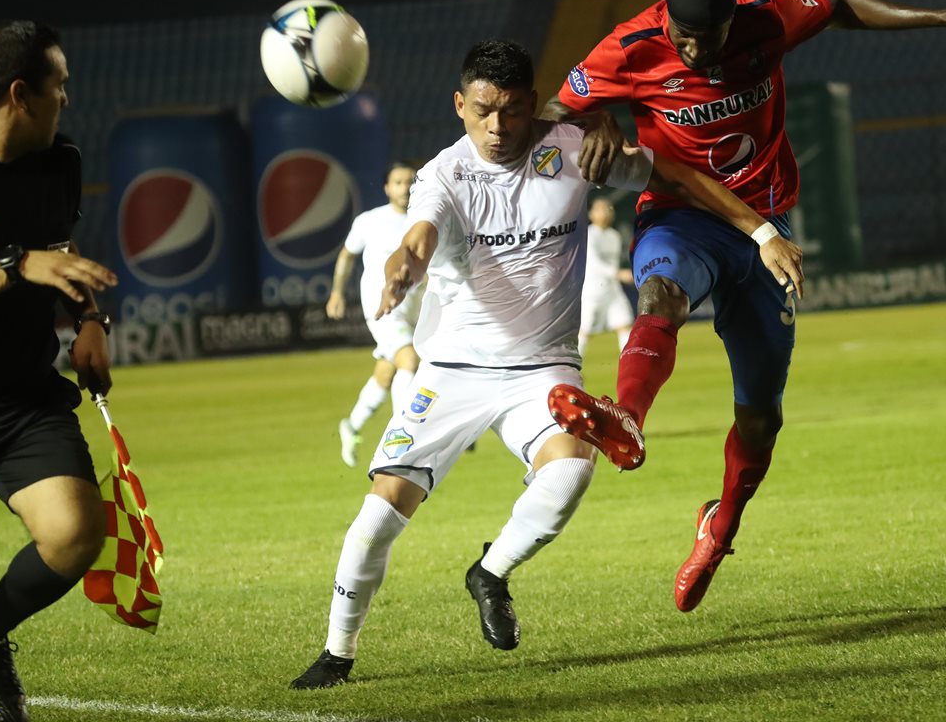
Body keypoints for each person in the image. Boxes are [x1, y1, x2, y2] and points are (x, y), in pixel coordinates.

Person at [290, 38, 777, 689]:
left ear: (533, 106)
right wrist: (407, 262)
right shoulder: (444, 175)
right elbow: (422, 232)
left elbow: (674, 177)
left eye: (514, 112)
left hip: (544, 369)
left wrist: (762, 231)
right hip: (452, 372)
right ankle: (337, 654)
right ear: (461, 105)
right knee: (379, 514)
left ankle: (490, 572)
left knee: (572, 472)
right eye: (484, 111)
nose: (498, 127)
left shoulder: (574, 150)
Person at [544, 0, 946, 613]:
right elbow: (559, 107)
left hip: (767, 230)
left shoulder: (770, 15)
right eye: (684, 38)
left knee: (760, 417)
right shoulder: (631, 45)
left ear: (734, 20)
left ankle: (721, 525)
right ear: (667, 21)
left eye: (708, 37)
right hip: (681, 218)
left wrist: (937, 16)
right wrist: (597, 118)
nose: (694, 49)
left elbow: (843, 7)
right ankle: (627, 416)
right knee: (659, 296)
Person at [0, 20, 119, 722]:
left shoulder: (60, 161)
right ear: (22, 93)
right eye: (61, 87)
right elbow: (29, 259)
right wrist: (14, 265)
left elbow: (60, 250)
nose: (68, 101)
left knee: (77, 532)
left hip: (22, 396)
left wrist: (88, 322)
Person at [326, 162, 423, 467]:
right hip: (383, 309)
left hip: (417, 309)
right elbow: (347, 255)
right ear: (386, 187)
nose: (404, 188)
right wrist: (337, 292)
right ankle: (403, 436)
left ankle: (351, 425)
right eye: (398, 182)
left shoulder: (425, 220)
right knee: (409, 360)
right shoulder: (370, 221)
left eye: (409, 181)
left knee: (387, 370)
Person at [579, 196, 635, 357]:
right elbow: (594, 262)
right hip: (592, 292)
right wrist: (619, 273)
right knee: (585, 332)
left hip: (612, 290)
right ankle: (571, 369)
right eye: (601, 209)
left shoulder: (614, 235)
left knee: (625, 325)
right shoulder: (588, 235)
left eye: (609, 209)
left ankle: (628, 363)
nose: (606, 213)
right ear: (591, 214)